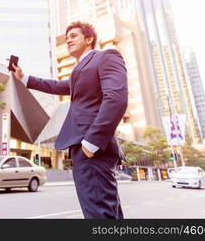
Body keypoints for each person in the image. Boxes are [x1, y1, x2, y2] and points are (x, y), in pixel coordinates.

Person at [11, 21, 128, 219]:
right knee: (108, 212)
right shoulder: (79, 71)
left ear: (89, 39)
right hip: (87, 147)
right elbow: (56, 86)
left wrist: (91, 143)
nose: (69, 41)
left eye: (74, 36)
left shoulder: (106, 57)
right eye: (67, 39)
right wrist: (24, 77)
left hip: (93, 146)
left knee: (98, 213)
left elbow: (116, 99)